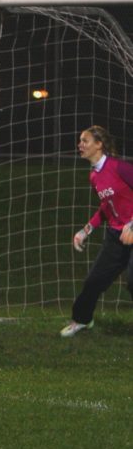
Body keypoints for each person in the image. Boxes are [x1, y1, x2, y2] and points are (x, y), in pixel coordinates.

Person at [64, 125, 133, 337]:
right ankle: (82, 320)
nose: (80, 145)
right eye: (79, 141)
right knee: (94, 281)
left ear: (99, 145)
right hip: (115, 236)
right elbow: (106, 207)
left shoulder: (120, 167)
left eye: (85, 141)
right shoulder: (94, 176)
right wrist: (85, 230)